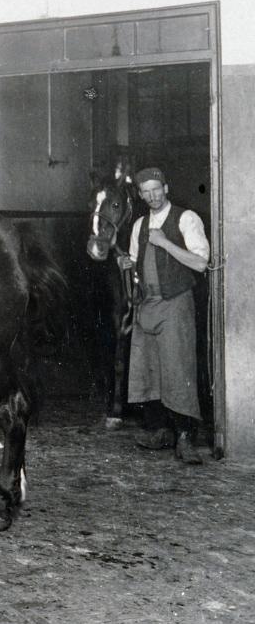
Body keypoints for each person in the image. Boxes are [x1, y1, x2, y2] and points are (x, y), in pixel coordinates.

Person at [117, 167, 209, 465]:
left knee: (177, 368)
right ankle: (160, 431)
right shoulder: (139, 225)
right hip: (148, 304)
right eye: (146, 191)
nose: (152, 196)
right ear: (140, 195)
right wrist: (125, 265)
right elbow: (134, 261)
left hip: (175, 302)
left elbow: (199, 263)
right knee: (149, 368)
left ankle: (185, 437)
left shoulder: (186, 218)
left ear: (166, 188)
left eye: (157, 189)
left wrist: (165, 242)